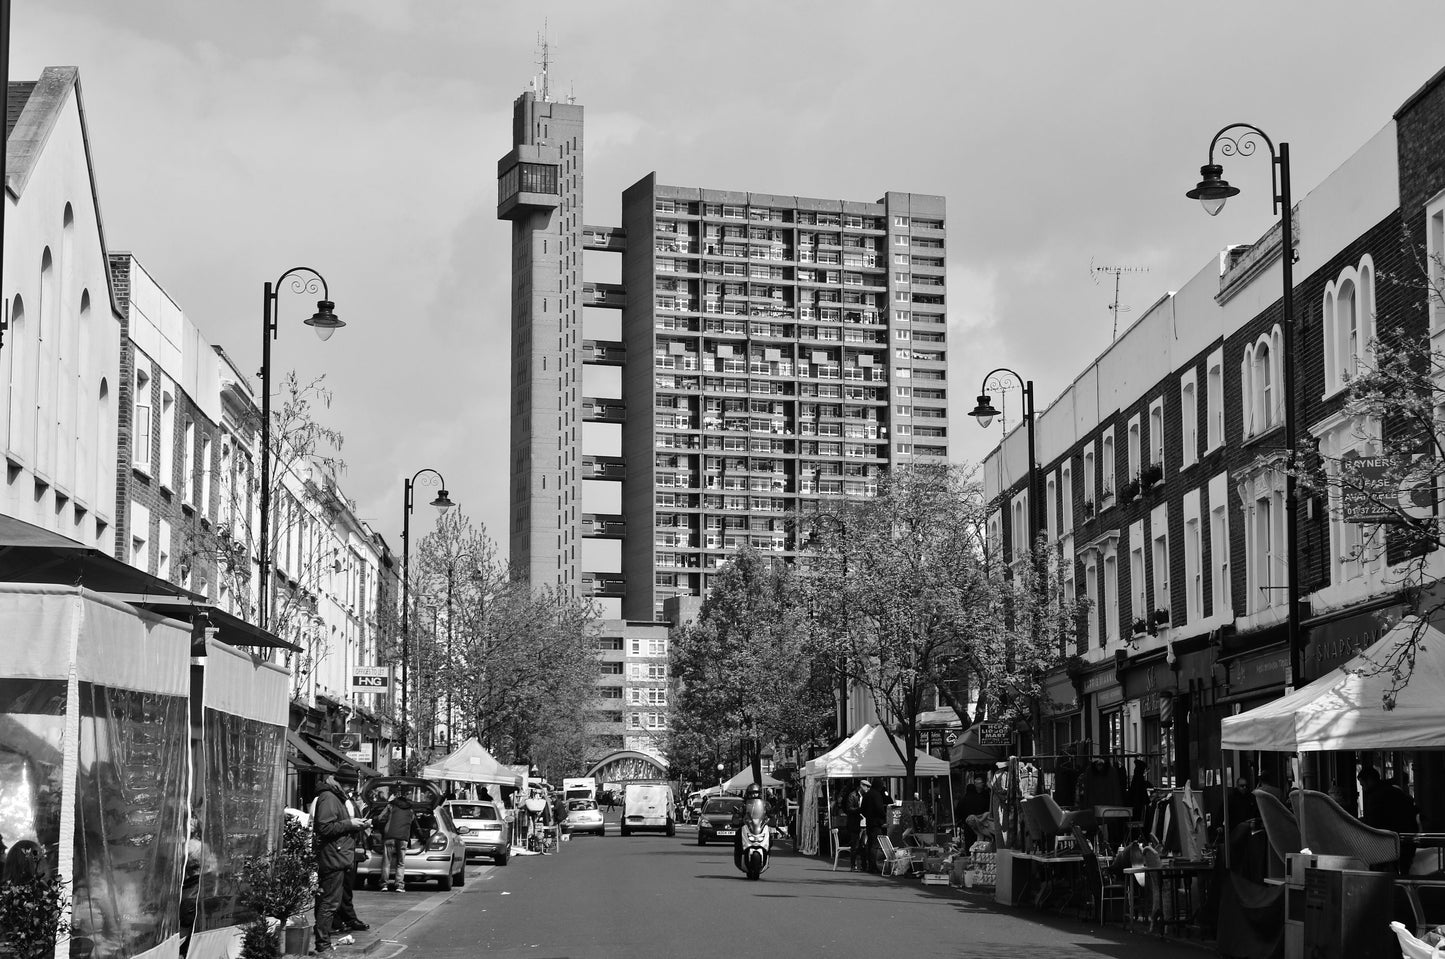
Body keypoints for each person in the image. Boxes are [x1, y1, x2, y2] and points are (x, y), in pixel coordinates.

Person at [311, 774, 370, 955]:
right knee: (329, 903)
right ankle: (323, 945)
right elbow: (325, 827)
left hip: (337, 856)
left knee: (329, 902)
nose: (351, 791)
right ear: (342, 783)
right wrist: (350, 824)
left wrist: (355, 825)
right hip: (333, 857)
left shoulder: (335, 797)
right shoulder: (329, 798)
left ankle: (324, 941)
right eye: (350, 787)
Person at [375, 787, 417, 892]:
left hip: (389, 837)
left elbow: (380, 818)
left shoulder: (390, 806)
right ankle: (399, 885)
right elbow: (413, 824)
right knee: (401, 863)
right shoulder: (410, 810)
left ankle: (384, 884)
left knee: (386, 861)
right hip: (403, 838)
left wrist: (379, 827)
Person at [1358, 766, 1419, 834]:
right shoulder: (1395, 790)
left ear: (1369, 780)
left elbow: (1374, 822)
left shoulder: (1375, 797)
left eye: (1363, 785)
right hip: (1404, 833)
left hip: (1388, 837)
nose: (1363, 789)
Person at [860, 779, 889, 874]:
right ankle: (873, 866)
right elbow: (879, 809)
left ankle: (870, 865)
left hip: (869, 822)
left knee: (870, 844)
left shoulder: (867, 795)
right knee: (875, 845)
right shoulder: (877, 795)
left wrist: (868, 816)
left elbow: (862, 809)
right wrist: (884, 817)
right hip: (876, 823)